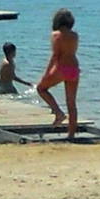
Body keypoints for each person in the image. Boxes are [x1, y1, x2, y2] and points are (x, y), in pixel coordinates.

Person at [36, 9, 80, 137]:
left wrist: (47, 73)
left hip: (62, 68)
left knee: (41, 88)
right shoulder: (75, 35)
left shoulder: (56, 35)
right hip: (74, 68)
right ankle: (71, 135)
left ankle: (58, 112)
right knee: (71, 103)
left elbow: (55, 56)